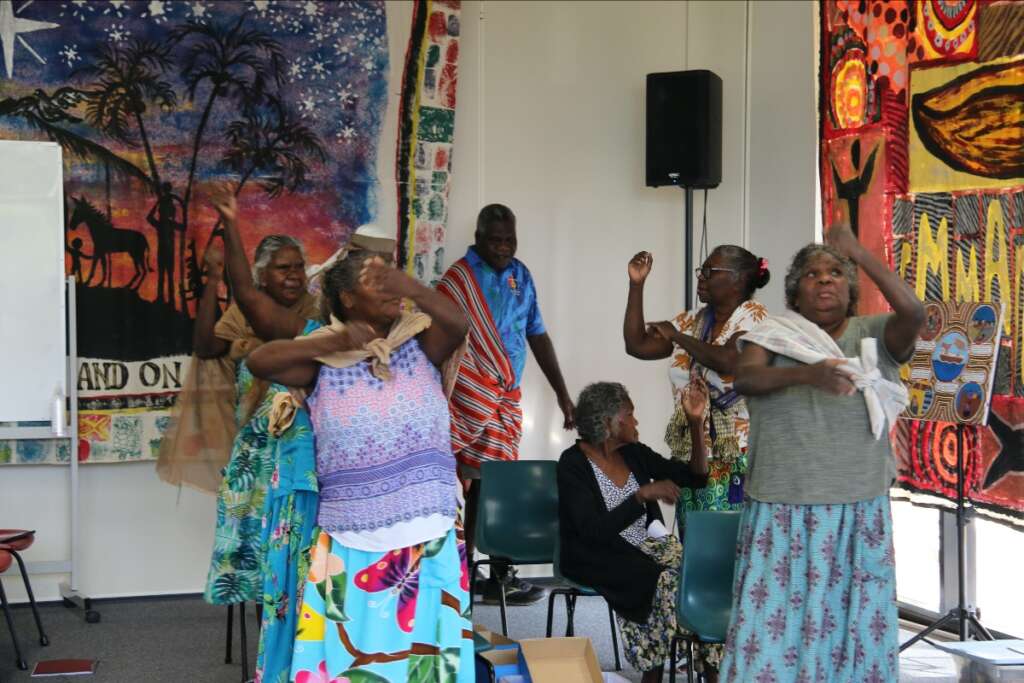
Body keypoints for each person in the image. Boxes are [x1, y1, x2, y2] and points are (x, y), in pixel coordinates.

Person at [245, 249, 473, 682]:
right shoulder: (322, 364)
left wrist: (412, 288)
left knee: (426, 665)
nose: (392, 291)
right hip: (352, 540)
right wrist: (335, 342)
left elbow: (459, 324)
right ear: (348, 298)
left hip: (430, 534)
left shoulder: (420, 343)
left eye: (393, 281)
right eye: (378, 284)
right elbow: (259, 362)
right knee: (352, 664)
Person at [719, 224, 924, 683]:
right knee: (770, 632)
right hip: (781, 506)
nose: (825, 280)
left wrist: (860, 252)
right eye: (812, 274)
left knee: (850, 630)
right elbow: (745, 380)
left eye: (835, 272)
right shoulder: (771, 334)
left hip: (856, 507)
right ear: (795, 291)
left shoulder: (874, 336)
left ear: (851, 288)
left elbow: (914, 310)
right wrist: (809, 376)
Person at [623, 245, 768, 678]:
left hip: (734, 464)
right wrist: (636, 286)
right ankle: (701, 650)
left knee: (723, 560)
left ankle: (726, 658)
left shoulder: (755, 318)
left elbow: (729, 362)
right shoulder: (694, 318)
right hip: (693, 459)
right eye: (701, 269)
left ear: (740, 280)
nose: (701, 276)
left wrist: (679, 337)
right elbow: (636, 344)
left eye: (711, 270)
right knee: (692, 556)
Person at [437, 203, 574, 605]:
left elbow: (538, 336)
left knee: (494, 483)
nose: (503, 248)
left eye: (509, 240)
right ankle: (458, 572)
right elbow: (435, 342)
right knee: (459, 483)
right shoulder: (457, 281)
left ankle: (499, 574)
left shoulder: (522, 275)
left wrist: (562, 394)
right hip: (466, 396)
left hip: (504, 400)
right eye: (494, 240)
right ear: (477, 238)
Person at [558, 382, 709, 683]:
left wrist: (696, 423)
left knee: (699, 573)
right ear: (607, 422)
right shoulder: (572, 464)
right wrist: (641, 496)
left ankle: (708, 665)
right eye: (630, 413)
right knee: (661, 579)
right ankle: (654, 672)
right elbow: (592, 532)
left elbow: (696, 477)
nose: (636, 421)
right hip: (597, 555)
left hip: (647, 545)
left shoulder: (634, 453)